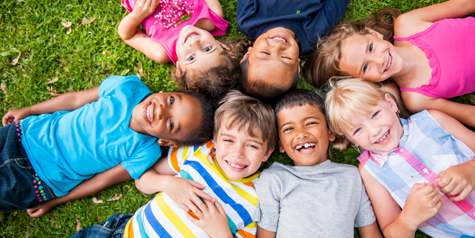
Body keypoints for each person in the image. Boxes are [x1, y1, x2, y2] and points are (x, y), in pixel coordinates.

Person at [69, 90, 278, 238]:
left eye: (252, 146)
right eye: (228, 140)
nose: (237, 153)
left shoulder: (256, 201)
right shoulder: (200, 153)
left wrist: (221, 233)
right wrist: (167, 184)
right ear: (214, 138)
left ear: (267, 153)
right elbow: (141, 180)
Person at [0, 75, 214, 218]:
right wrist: (30, 110)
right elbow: (75, 99)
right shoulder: (128, 87)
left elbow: (102, 180)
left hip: (37, 180)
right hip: (24, 134)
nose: (161, 111)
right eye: (172, 101)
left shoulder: (145, 152)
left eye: (170, 123)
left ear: (167, 142)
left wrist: (56, 201)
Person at [325, 78, 475, 237]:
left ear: (390, 103)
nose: (374, 131)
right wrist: (409, 219)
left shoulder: (433, 120)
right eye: (357, 130)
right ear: (352, 141)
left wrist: (470, 169)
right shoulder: (370, 170)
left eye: (375, 114)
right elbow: (391, 232)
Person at [304, 0, 475, 128]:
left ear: (374, 33)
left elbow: (463, 4)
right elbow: (469, 115)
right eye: (365, 67)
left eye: (370, 48)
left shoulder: (408, 24)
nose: (379, 60)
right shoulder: (416, 98)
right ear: (364, 82)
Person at [254, 89, 381, 238]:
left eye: (311, 123)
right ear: (280, 144)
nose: (301, 133)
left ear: (330, 132)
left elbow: (370, 234)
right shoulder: (274, 179)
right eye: (288, 128)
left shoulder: (352, 176)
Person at [119, 0, 239, 99]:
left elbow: (128, 35)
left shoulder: (161, 51)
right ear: (222, 45)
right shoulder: (213, 16)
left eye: (191, 58)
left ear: (179, 69)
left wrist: (137, 15)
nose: (194, 43)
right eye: (207, 49)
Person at [235, 0, 349, 104]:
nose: (278, 47)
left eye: (265, 53)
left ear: (247, 55)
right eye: (286, 58)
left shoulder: (248, 19)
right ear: (297, 66)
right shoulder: (315, 32)